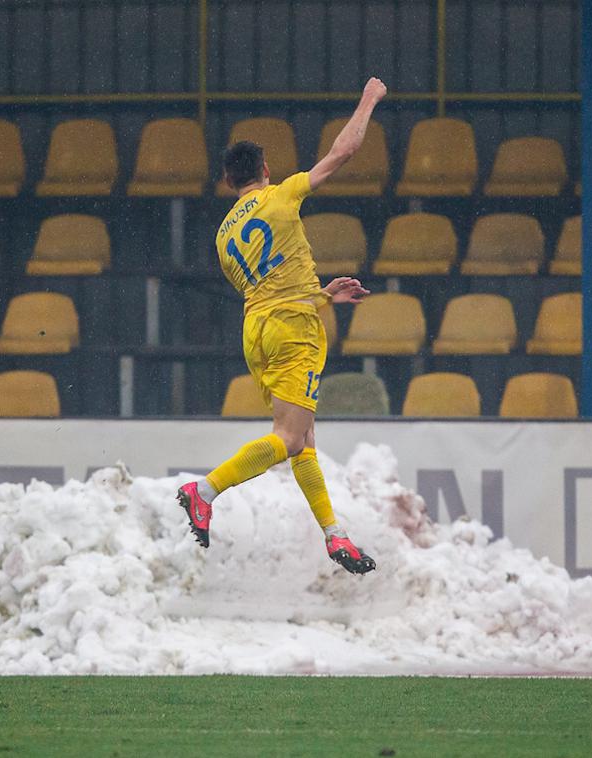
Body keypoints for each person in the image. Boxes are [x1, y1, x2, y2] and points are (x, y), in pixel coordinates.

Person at [177, 77, 388, 575]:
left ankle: (335, 537)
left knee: (303, 439)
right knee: (290, 438)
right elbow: (344, 151)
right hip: (295, 329)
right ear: (266, 172)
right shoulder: (281, 194)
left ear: (230, 183)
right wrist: (368, 99)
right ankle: (203, 490)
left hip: (257, 331)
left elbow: (266, 288)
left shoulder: (224, 234)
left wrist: (323, 294)